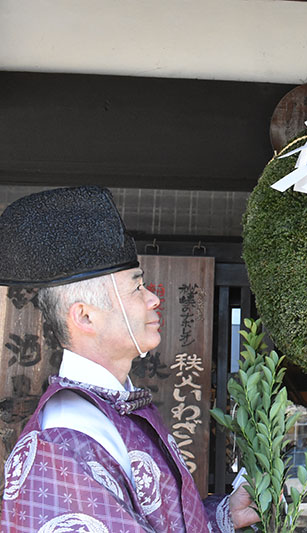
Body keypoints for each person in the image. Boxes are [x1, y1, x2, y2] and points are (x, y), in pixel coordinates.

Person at [0, 186, 259, 532]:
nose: (152, 299)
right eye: (137, 288)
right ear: (85, 317)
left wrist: (225, 516)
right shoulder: (64, 438)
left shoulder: (115, 406)